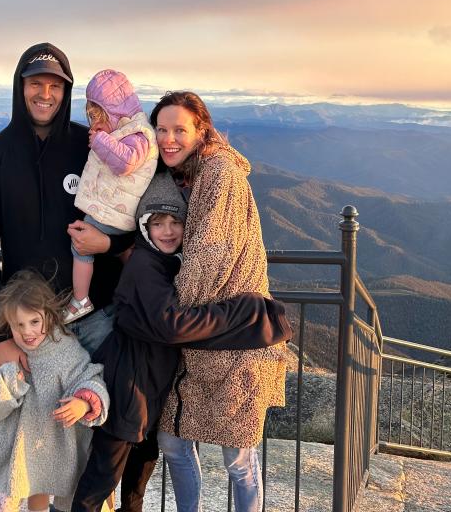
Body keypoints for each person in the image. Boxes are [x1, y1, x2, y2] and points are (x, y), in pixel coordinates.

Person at [71, 173, 292, 512]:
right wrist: (255, 316)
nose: (169, 230)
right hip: (131, 387)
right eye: (158, 223)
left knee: (138, 473)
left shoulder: (167, 263)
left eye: (176, 221)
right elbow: (174, 326)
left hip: (149, 388)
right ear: (144, 226)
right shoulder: (145, 266)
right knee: (101, 479)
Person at [152, 91, 287, 512]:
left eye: (179, 130)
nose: (169, 139)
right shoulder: (188, 174)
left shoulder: (219, 174)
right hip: (203, 339)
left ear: (201, 130)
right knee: (173, 441)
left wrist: (170, 312)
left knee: (239, 460)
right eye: (161, 130)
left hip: (236, 340)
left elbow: (210, 251)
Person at [0, 43, 133, 368]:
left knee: (104, 413)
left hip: (98, 318)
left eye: (55, 85)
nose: (46, 94)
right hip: (30, 326)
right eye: (36, 84)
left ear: (66, 91)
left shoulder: (95, 149)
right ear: (20, 87)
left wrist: (111, 243)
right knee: (40, 419)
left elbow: (128, 214)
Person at [0, 271, 109, 512]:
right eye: (18, 325)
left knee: (38, 490)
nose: (27, 332)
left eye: (34, 322)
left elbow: (89, 377)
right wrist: (8, 382)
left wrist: (83, 404)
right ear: (7, 323)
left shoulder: (62, 347)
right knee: (11, 495)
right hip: (9, 450)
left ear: (48, 315)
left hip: (46, 445)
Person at [64, 69, 158, 323]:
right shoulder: (129, 132)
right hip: (115, 207)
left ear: (114, 111)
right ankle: (138, 293)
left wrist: (101, 142)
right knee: (114, 251)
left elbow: (125, 162)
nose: (96, 124)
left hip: (116, 210)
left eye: (99, 116)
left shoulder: (139, 134)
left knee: (80, 245)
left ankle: (81, 299)